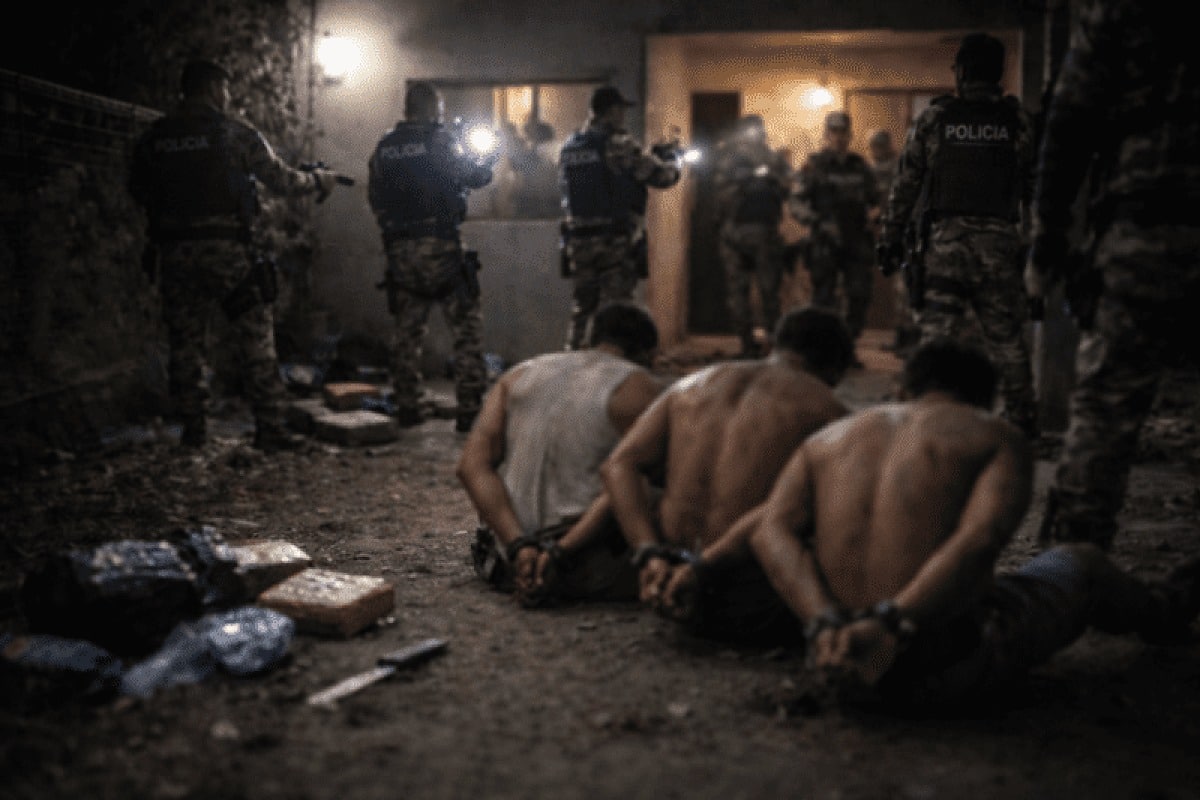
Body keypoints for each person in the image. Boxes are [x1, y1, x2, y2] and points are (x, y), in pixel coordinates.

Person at [683, 339, 1200, 711]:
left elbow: (770, 533)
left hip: (835, 656)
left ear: (902, 386)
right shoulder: (994, 435)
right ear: (985, 399)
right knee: (1080, 563)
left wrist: (823, 623)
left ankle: (842, 633)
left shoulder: (828, 438)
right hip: (940, 667)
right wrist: (890, 625)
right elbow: (979, 540)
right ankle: (1166, 612)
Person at [1026, 0, 1200, 550]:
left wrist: (1048, 237)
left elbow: (1069, 121)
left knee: (1107, 407)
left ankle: (1071, 564)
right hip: (1146, 220)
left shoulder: (1122, 11)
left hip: (1148, 227)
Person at [128, 59, 348, 452]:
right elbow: (281, 180)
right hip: (227, 252)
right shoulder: (234, 134)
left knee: (186, 343)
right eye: (225, 89)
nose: (227, 97)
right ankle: (270, 429)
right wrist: (319, 180)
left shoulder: (154, 139)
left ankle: (194, 431)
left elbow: (138, 189)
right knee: (255, 339)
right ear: (215, 88)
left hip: (175, 253)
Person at [600, 307, 853, 643]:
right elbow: (787, 510)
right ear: (835, 370)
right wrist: (701, 568)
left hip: (664, 579)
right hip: (747, 595)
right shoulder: (828, 410)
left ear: (771, 346)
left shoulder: (688, 386)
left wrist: (649, 554)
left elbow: (618, 465)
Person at [877, 33, 1038, 438]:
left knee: (937, 336)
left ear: (962, 72)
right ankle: (1022, 421)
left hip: (946, 245)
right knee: (1005, 337)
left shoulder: (936, 119)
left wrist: (890, 236)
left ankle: (926, 418)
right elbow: (1035, 187)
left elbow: (907, 183)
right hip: (999, 243)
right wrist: (1038, 244)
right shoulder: (1017, 121)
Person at [456, 303, 664, 607]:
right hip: (586, 565)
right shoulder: (639, 386)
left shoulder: (518, 375)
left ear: (588, 341)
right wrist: (558, 552)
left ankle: (529, 562)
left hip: (506, 563)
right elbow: (634, 482)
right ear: (647, 355)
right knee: (662, 484)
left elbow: (471, 467)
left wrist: (518, 546)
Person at [368, 81, 495, 432]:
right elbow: (474, 176)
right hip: (441, 247)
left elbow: (375, 198)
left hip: (400, 251)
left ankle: (407, 405)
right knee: (466, 329)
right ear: (431, 108)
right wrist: (489, 159)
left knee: (407, 331)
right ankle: (469, 408)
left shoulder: (385, 147)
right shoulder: (441, 141)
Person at [558, 86, 683, 351]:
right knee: (616, 311)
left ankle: (573, 360)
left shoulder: (570, 146)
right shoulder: (618, 144)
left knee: (583, 307)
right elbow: (661, 177)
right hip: (612, 241)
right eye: (620, 110)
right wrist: (675, 161)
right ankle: (612, 365)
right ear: (611, 111)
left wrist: (649, 155)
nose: (623, 116)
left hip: (578, 241)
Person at [789, 110, 882, 363]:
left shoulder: (860, 166)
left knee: (859, 295)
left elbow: (876, 198)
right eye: (834, 132)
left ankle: (846, 348)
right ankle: (822, 353)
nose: (839, 138)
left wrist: (875, 214)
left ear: (850, 135)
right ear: (826, 135)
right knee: (824, 299)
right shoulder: (814, 166)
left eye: (843, 133)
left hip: (856, 238)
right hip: (825, 239)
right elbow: (796, 202)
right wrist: (815, 221)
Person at [711, 114, 794, 357]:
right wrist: (746, 183)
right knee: (740, 292)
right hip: (736, 230)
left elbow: (789, 185)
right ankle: (748, 344)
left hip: (762, 230)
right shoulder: (731, 160)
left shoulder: (773, 159)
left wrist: (771, 180)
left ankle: (771, 344)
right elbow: (721, 194)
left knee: (769, 291)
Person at [867, 129, 919, 356]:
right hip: (891, 235)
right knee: (899, 289)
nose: (877, 151)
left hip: (904, 234)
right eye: (875, 147)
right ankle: (903, 336)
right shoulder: (875, 170)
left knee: (905, 287)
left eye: (880, 146)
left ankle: (909, 338)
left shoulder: (898, 168)